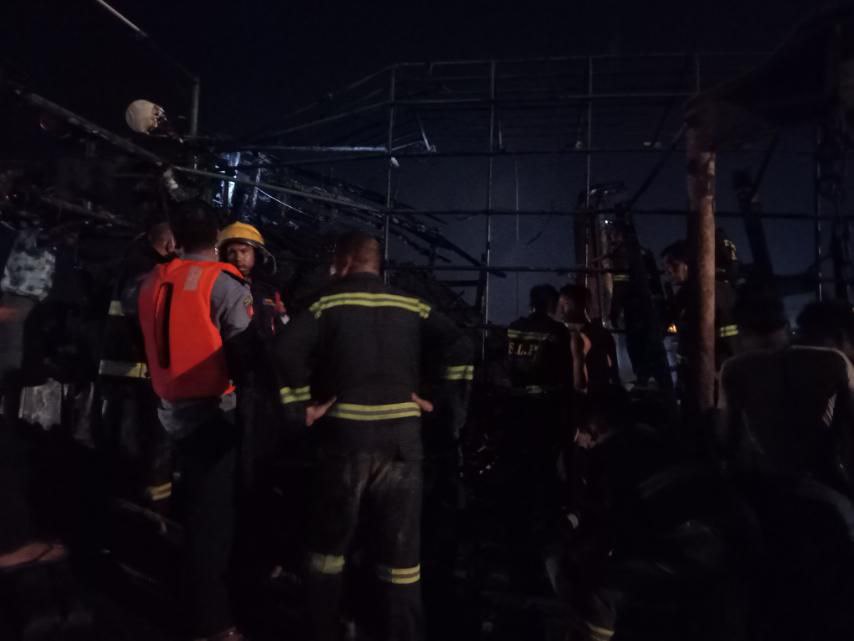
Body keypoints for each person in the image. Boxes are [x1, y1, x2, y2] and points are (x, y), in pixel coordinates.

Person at [275, 232, 472, 641]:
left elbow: (284, 351)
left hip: (344, 443)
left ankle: (324, 629)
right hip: (403, 445)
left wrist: (300, 409)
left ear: (346, 261)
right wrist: (439, 403)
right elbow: (460, 344)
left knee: (327, 553)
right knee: (401, 561)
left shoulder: (327, 304)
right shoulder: (411, 304)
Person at [136, 200, 252, 641]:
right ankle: (212, 622)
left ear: (177, 238)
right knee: (212, 522)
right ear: (217, 237)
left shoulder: (151, 281)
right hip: (214, 416)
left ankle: (189, 590)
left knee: (192, 508)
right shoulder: (223, 284)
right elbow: (248, 357)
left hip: (168, 408)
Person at [717, 294, 854, 493]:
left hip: (767, 487)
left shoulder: (734, 369)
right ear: (786, 326)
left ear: (741, 332)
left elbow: (727, 437)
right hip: (825, 481)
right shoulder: (834, 361)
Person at [98, 218, 176, 512]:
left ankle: (120, 497)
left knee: (123, 438)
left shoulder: (131, 260)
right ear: (169, 243)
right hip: (137, 370)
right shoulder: (148, 270)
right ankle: (148, 505)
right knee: (143, 442)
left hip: (123, 368)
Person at [504, 284, 573, 589]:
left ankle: (515, 558)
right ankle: (538, 563)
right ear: (552, 303)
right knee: (543, 488)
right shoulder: (557, 332)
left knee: (518, 488)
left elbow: (505, 367)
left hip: (515, 411)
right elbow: (565, 377)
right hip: (544, 414)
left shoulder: (514, 328)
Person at [557, 284, 620, 395]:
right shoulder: (602, 333)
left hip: (587, 394)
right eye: (560, 305)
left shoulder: (561, 335)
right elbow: (613, 372)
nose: (560, 310)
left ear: (579, 305)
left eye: (565, 304)